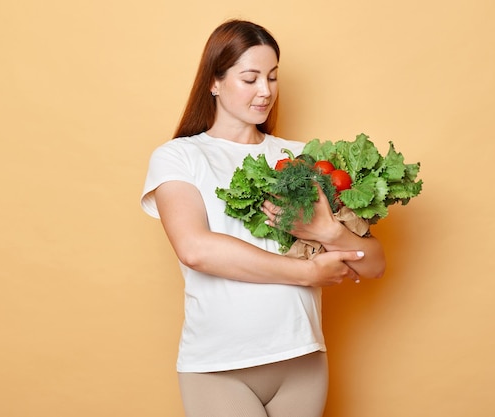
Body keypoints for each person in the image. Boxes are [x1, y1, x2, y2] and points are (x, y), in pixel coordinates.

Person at [141, 19, 386, 417]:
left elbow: (374, 263)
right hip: (220, 366)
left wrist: (327, 231)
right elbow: (195, 249)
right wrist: (306, 273)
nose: (265, 91)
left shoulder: (303, 156)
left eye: (272, 77)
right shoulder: (180, 156)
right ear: (214, 82)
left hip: (302, 360)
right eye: (250, 78)